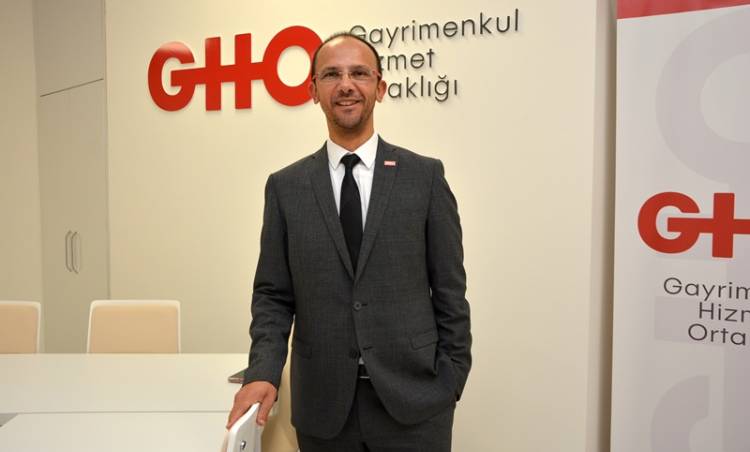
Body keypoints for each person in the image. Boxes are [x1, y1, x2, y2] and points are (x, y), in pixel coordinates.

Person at [227, 32, 471, 452]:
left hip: (415, 404)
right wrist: (262, 372)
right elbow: (273, 295)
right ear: (313, 91)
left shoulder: (424, 177)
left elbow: (449, 288)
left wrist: (451, 378)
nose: (345, 85)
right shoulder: (286, 187)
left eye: (359, 73)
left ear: (380, 88)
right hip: (323, 408)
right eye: (331, 74)